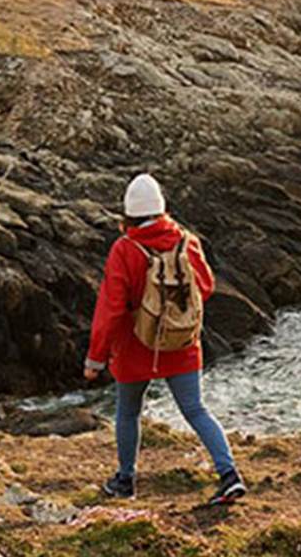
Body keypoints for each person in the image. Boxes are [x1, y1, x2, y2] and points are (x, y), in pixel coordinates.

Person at [84, 173, 246, 505]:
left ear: (128, 213)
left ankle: (125, 480)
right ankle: (229, 475)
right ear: (161, 208)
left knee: (128, 412)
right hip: (181, 342)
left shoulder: (124, 249)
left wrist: (95, 358)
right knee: (196, 410)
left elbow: (111, 309)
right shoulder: (187, 241)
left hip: (135, 345)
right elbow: (206, 287)